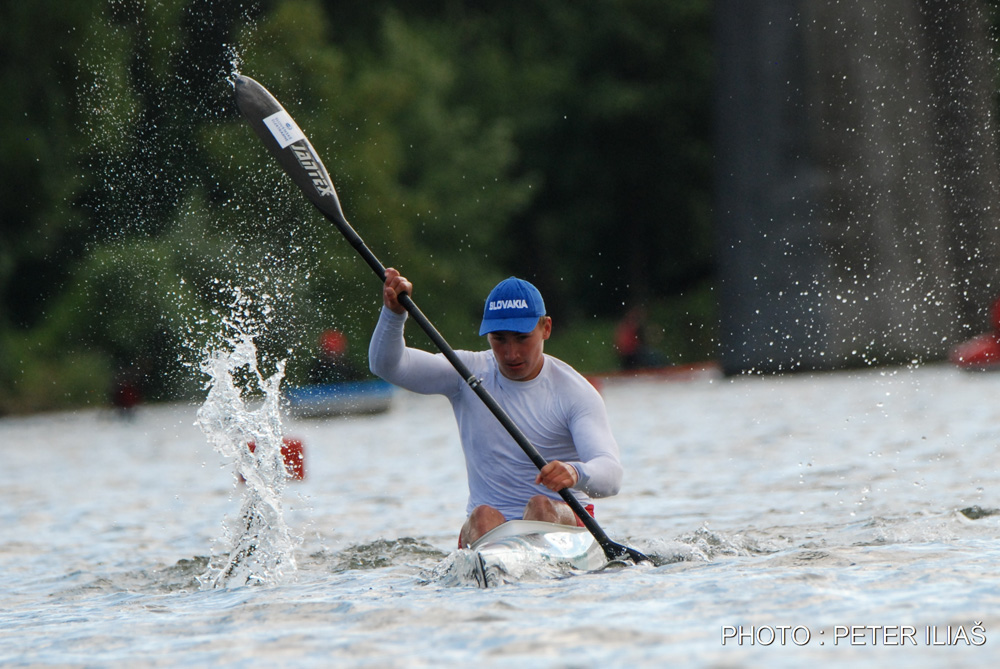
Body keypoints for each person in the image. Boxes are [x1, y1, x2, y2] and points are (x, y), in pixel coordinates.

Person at [369, 269, 622, 547]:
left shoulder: (574, 391)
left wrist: (575, 472)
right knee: (483, 515)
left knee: (540, 505)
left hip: (565, 524)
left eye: (522, 337)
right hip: (488, 530)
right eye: (499, 339)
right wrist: (394, 315)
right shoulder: (465, 372)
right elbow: (388, 366)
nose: (511, 353)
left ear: (546, 328)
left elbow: (611, 474)